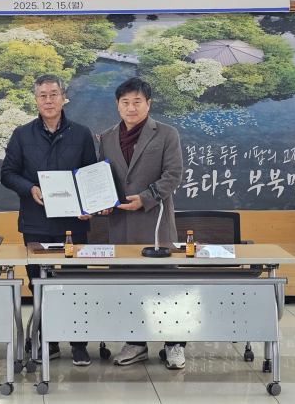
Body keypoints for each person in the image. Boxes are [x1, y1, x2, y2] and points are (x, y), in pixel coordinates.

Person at [1, 74, 96, 366]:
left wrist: (89, 204)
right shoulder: (21, 134)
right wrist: (30, 188)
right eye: (43, 95)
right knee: (38, 284)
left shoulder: (82, 134)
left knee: (75, 283)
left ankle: (79, 344)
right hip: (36, 223)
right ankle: (47, 341)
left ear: (64, 97)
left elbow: (91, 176)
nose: (49, 100)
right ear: (36, 100)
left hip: (73, 225)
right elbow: (7, 174)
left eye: (54, 94)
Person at [98, 77, 185, 370]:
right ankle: (135, 343)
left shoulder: (167, 133)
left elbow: (173, 175)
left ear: (148, 103)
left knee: (166, 287)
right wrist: (101, 202)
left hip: (155, 223)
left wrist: (145, 198)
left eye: (137, 101)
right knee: (128, 286)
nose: (131, 107)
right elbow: (103, 177)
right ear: (117, 105)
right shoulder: (107, 137)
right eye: (125, 102)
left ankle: (174, 344)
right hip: (120, 224)